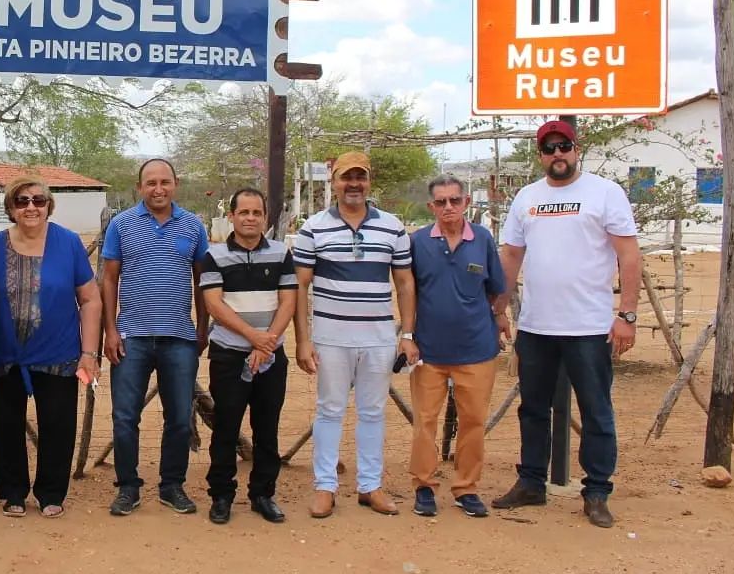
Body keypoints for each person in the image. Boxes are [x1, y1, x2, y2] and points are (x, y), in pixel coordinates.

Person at [492, 120, 641, 529]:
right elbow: (510, 257)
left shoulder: (605, 193)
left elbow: (629, 255)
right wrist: (500, 309)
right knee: (533, 409)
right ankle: (531, 483)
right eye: (549, 148)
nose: (557, 154)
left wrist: (627, 315)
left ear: (576, 149)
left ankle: (595, 492)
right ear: (540, 155)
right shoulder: (527, 197)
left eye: (564, 146)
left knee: (596, 410)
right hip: (537, 326)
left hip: (590, 327)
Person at [293, 151, 413, 519]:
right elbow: (300, 287)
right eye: (347, 177)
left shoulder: (392, 227)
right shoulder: (312, 228)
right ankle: (325, 487)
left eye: (360, 177)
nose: (354, 184)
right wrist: (303, 339)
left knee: (373, 412)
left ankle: (370, 486)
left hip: (378, 337)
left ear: (369, 181)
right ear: (334, 182)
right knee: (329, 410)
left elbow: (405, 282)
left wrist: (407, 332)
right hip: (331, 337)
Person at [0, 175, 102, 518]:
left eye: (38, 200)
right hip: (5, 352)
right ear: (10, 209)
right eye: (22, 201)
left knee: (58, 423)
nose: (31, 207)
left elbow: (90, 299)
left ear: (49, 205)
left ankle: (51, 492)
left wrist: (89, 353)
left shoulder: (68, 243)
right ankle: (12, 492)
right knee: (5, 424)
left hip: (58, 352)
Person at [102, 158, 209, 517]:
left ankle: (171, 485)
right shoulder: (122, 225)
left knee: (179, 416)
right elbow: (109, 279)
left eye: (165, 182)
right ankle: (128, 487)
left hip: (179, 337)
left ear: (176, 184)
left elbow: (202, 280)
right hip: (131, 337)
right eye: (151, 183)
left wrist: (202, 325)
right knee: (124, 417)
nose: (158, 189)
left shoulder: (193, 226)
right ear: (139, 187)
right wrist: (110, 329)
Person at [406, 174, 509, 519]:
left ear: (466, 203)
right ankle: (424, 485)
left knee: (474, 421)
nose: (448, 207)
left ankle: (466, 488)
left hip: (476, 349)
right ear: (430, 206)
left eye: (454, 200)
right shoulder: (418, 243)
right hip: (429, 351)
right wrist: (408, 338)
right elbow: (409, 292)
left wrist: (497, 318)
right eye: (440, 202)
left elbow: (496, 288)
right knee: (425, 420)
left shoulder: (482, 239)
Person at [198, 187, 296, 525]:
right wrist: (252, 337)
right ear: (232, 217)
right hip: (228, 355)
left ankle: (262, 494)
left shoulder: (282, 254)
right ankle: (222, 495)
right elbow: (214, 304)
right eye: (244, 213)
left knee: (266, 428)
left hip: (270, 357)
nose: (250, 218)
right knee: (226, 426)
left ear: (265, 218)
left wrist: (263, 345)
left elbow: (288, 302)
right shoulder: (215, 256)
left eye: (257, 213)